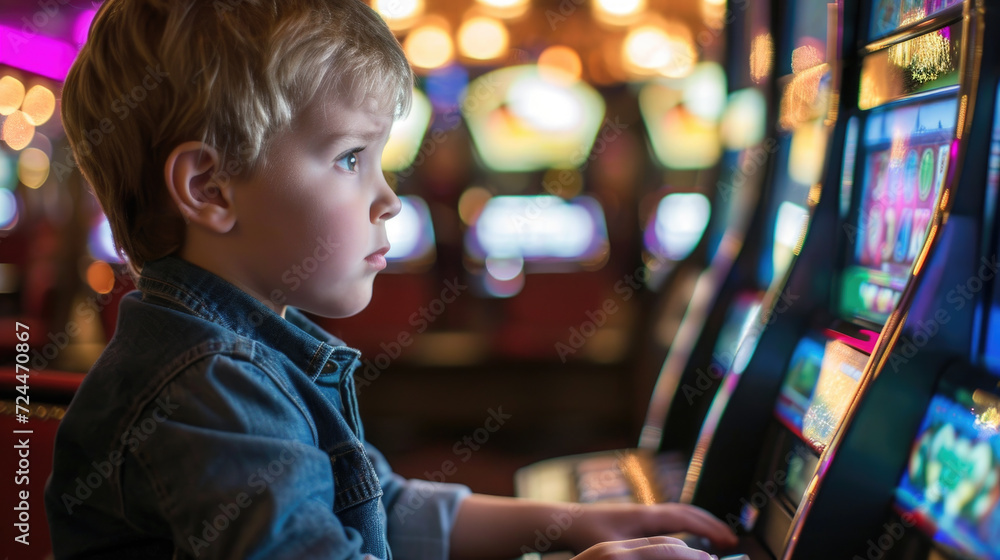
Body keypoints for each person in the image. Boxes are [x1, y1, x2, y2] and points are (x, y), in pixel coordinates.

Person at [43, 0, 739, 558]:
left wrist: (568, 523)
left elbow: (379, 503)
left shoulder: (244, 348)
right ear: (211, 189)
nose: (392, 200)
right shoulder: (209, 386)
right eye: (351, 159)